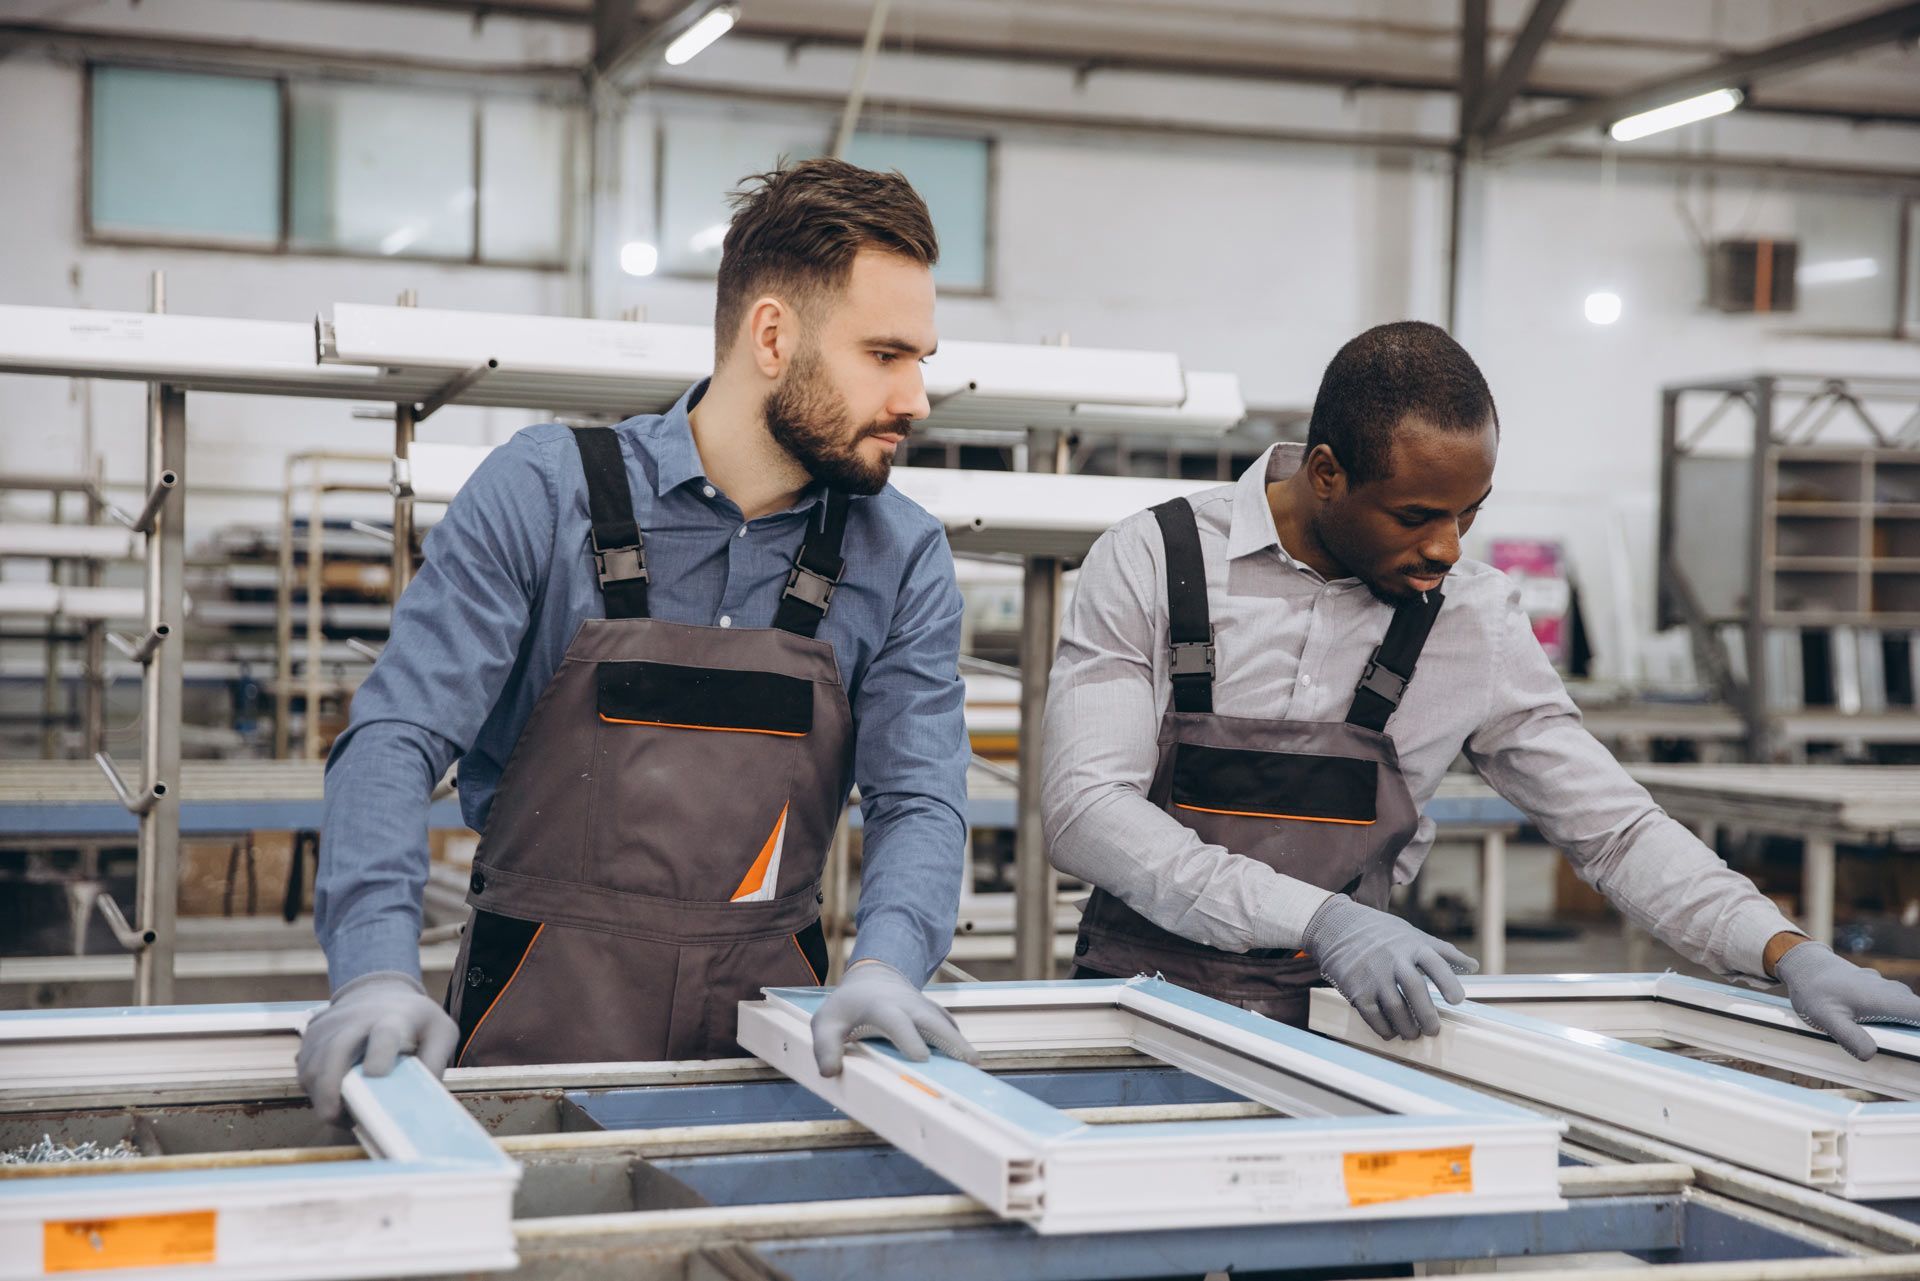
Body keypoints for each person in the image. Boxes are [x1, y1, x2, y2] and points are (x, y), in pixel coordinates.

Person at [297, 158, 979, 1125]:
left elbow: (921, 796)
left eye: (921, 359)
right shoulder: (544, 495)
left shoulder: (897, 552)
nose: (915, 397)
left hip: (773, 1047)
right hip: (533, 1031)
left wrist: (886, 963)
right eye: (886, 355)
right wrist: (373, 968)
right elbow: (395, 736)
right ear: (773, 335)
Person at [1042, 320, 1920, 1057]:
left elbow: (1613, 830)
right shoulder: (1157, 559)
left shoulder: (1472, 620)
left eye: (1470, 513)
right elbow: (1085, 811)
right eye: (1416, 516)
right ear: (1325, 474)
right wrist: (1324, 921)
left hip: (1351, 1031)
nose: (1448, 549)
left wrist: (1781, 950)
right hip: (1138, 1013)